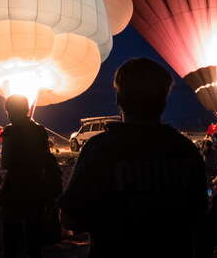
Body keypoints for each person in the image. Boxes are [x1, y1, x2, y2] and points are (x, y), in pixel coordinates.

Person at [59, 58, 207, 257]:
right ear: (163, 101)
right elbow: (199, 215)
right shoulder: (184, 150)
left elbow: (71, 218)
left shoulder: (99, 150)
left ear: (119, 99)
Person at [0, 95, 60, 257]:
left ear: (11, 111)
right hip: (36, 185)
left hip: (15, 186)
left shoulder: (10, 131)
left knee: (11, 233)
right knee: (33, 234)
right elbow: (45, 158)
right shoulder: (40, 130)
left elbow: (5, 162)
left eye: (8, 110)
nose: (7, 114)